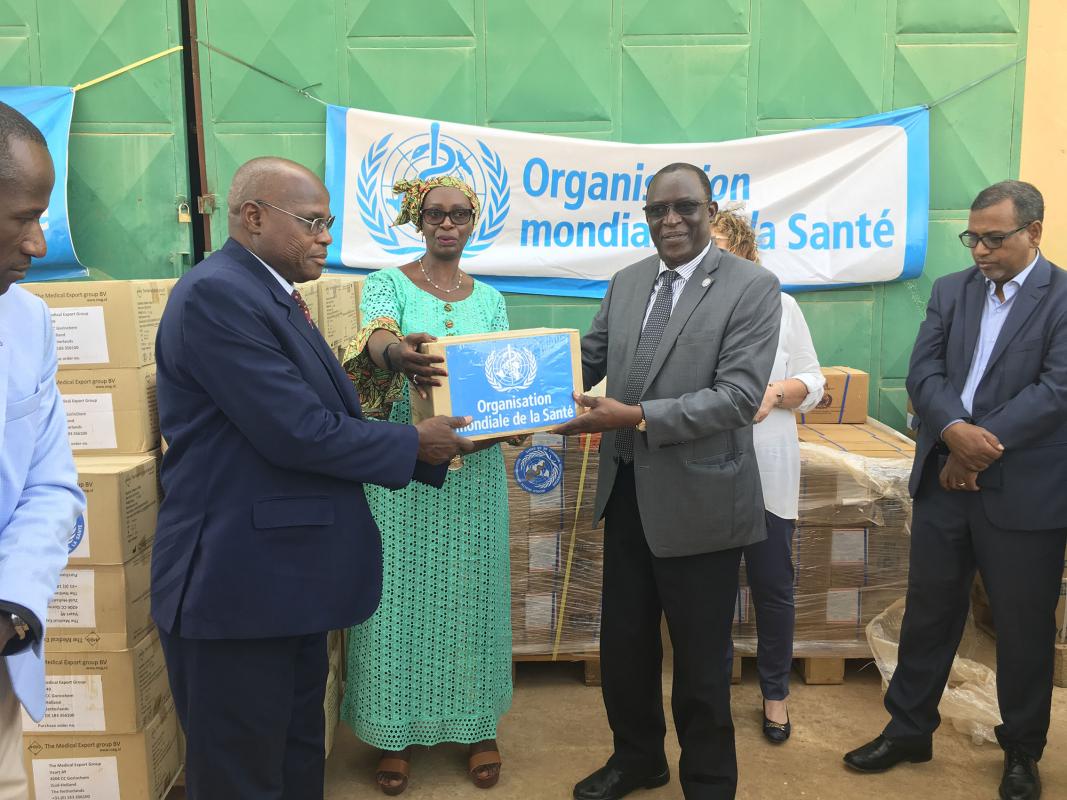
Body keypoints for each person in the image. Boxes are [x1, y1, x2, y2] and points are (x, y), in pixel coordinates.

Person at [152, 157, 475, 800]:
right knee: (243, 776)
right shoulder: (220, 294)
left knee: (297, 759)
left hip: (283, 584)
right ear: (252, 217)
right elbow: (295, 430)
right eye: (312, 222)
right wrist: (415, 443)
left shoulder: (269, 292)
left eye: (328, 222)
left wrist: (414, 401)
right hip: (238, 590)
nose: (326, 236)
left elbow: (323, 409)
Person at [556, 163, 782, 800]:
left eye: (685, 207)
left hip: (704, 500)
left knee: (702, 661)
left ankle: (708, 782)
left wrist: (632, 417)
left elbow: (738, 398)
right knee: (624, 645)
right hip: (627, 493)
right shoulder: (628, 283)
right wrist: (515, 404)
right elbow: (584, 360)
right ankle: (638, 759)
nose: (671, 221)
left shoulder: (752, 287)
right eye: (657, 210)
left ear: (711, 209)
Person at [844, 180, 1067, 800]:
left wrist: (977, 444)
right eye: (973, 237)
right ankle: (909, 728)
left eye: (995, 238)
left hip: (1023, 493)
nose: (980, 250)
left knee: (1022, 629)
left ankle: (1021, 748)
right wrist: (952, 430)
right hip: (946, 484)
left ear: (1034, 233)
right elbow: (925, 371)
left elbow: (1057, 390)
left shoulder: (1064, 297)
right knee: (929, 614)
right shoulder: (950, 292)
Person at [340, 176, 514, 795]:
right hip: (403, 471)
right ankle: (395, 733)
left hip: (476, 474)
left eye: (459, 213)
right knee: (398, 598)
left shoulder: (490, 298)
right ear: (418, 220)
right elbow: (377, 336)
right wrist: (397, 355)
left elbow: (501, 377)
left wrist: (512, 423)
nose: (447, 223)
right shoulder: (387, 282)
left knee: (472, 595)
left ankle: (476, 726)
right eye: (435, 214)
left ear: (473, 222)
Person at [711, 209, 825, 743]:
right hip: (704, 474)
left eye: (721, 247)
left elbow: (813, 380)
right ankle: (709, 696)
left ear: (746, 252)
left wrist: (775, 394)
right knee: (706, 592)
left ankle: (774, 694)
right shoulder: (688, 312)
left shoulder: (782, 307)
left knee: (772, 586)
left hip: (768, 471)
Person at [0, 101, 85, 799]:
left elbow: (51, 484)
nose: (38, 243)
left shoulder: (28, 322)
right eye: (23, 218)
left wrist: (16, 603)